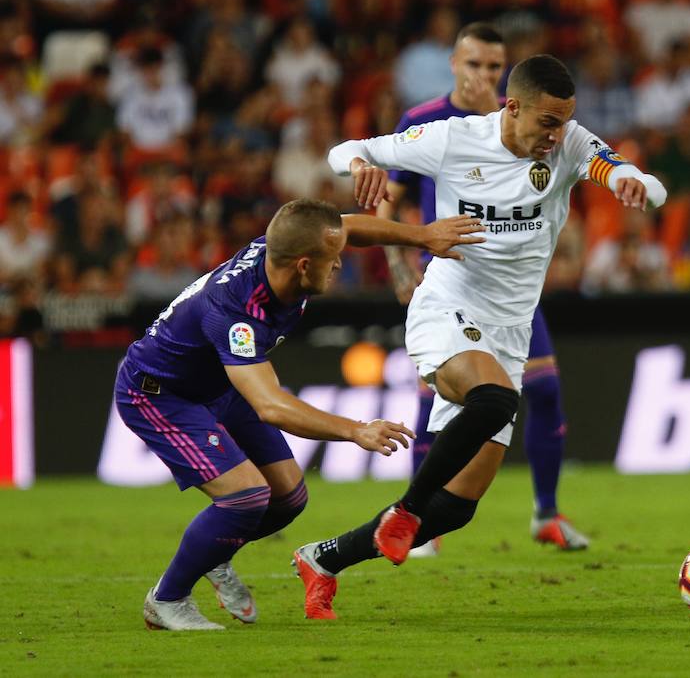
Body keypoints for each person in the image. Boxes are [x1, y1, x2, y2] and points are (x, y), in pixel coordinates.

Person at [294, 54, 667, 619]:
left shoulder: (567, 144)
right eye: (547, 121)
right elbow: (347, 149)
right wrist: (357, 164)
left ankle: (322, 560)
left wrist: (634, 184)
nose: (556, 134)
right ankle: (405, 511)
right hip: (446, 306)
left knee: (457, 507)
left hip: (510, 332)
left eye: (564, 121)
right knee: (495, 399)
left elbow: (624, 173)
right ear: (512, 107)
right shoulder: (452, 139)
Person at [114, 198, 484, 631]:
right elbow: (269, 404)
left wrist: (421, 235)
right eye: (332, 261)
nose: (340, 264)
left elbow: (347, 228)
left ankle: (213, 553)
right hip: (160, 394)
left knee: (289, 498)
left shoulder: (286, 250)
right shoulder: (236, 313)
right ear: (304, 265)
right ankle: (167, 599)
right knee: (246, 496)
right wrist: (356, 430)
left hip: (218, 383)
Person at [377, 22, 589, 556]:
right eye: (475, 65)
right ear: (454, 64)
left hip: (511, 287)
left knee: (543, 388)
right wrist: (401, 267)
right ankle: (417, 519)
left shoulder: (524, 124)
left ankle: (546, 512)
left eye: (494, 68)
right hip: (450, 279)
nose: (484, 76)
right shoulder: (425, 122)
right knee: (444, 398)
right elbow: (386, 196)